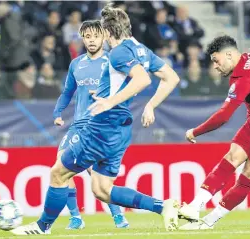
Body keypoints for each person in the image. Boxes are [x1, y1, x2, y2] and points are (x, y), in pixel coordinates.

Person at [11, 4, 181, 235]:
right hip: (120, 130)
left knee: (58, 173)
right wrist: (150, 105)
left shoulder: (118, 52)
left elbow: (142, 80)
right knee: (102, 189)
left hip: (102, 126)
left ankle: (42, 227)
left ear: (108, 33)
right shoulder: (140, 49)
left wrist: (109, 102)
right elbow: (171, 77)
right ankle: (163, 207)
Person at [178, 35, 250, 230]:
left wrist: (195, 132)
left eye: (217, 60)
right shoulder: (249, 57)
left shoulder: (243, 79)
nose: (215, 66)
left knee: (248, 173)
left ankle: (208, 222)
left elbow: (224, 116)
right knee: (232, 156)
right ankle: (194, 207)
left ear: (230, 54)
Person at [52, 20, 129, 230]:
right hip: (78, 125)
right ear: (82, 39)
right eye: (87, 36)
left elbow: (129, 88)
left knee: (97, 176)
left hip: (101, 126)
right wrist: (58, 111)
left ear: (103, 37)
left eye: (96, 36)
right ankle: (76, 217)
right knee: (61, 165)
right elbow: (68, 92)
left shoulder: (113, 62)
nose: (92, 40)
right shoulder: (76, 64)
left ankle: (117, 215)